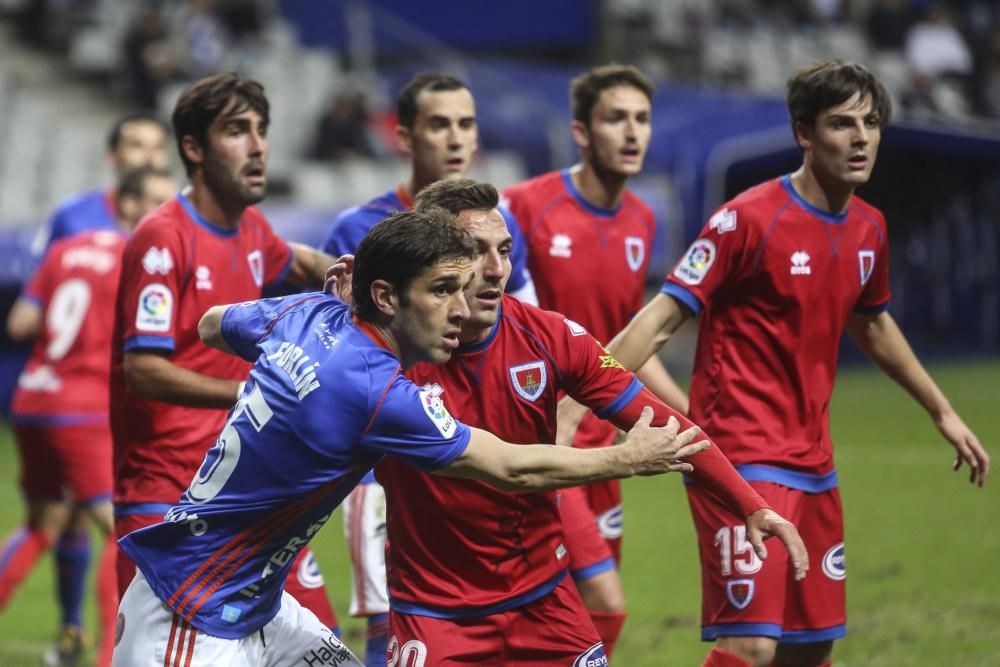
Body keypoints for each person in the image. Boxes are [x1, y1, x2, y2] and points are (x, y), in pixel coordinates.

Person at [111, 208, 710, 666]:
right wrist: (628, 457)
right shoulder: (378, 393)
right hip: (193, 613)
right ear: (386, 297)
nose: (460, 307)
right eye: (442, 290)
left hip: (255, 604)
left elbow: (212, 324)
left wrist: (307, 332)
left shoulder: (304, 314)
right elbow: (510, 468)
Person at [567, 60, 990, 667]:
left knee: (811, 648)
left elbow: (871, 322)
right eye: (842, 124)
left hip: (815, 464)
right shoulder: (746, 220)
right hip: (740, 459)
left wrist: (941, 410)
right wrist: (576, 402)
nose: (862, 137)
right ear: (803, 134)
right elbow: (658, 321)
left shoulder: (869, 229)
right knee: (752, 643)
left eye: (871, 123)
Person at [320, 178, 807, 664]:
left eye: (506, 250)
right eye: (475, 252)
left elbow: (662, 421)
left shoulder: (550, 337)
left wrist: (750, 504)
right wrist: (334, 318)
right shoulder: (384, 357)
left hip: (545, 604)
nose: (496, 270)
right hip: (437, 613)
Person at [109, 72, 341, 635]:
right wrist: (250, 391)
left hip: (250, 494)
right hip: (168, 504)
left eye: (262, 130)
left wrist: (357, 271)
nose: (259, 145)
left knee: (324, 640)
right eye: (238, 130)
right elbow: (142, 370)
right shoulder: (163, 237)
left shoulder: (253, 228)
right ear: (193, 148)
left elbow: (303, 261)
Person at [320, 70, 538, 664]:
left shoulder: (497, 227)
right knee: (388, 620)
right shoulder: (359, 227)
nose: (456, 138)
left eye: (466, 123)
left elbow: (526, 330)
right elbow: (336, 344)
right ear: (405, 136)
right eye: (440, 124)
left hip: (474, 446)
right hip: (388, 461)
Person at [502, 63, 687, 651]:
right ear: (582, 132)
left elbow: (627, 340)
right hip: (544, 432)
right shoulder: (527, 206)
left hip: (609, 440)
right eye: (615, 119)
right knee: (603, 604)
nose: (632, 133)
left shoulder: (643, 217)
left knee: (584, 608)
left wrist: (691, 413)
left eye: (642, 119)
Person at [1, 166, 176, 667]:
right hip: (84, 408)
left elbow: (21, 322)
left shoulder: (62, 250)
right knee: (122, 532)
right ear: (126, 205)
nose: (163, 215)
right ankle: (107, 657)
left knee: (40, 525)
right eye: (156, 204)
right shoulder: (137, 257)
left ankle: (73, 637)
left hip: (33, 399)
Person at [33, 112, 170, 253]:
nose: (150, 156)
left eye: (159, 147)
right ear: (112, 157)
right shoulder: (71, 215)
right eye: (137, 146)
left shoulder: (184, 220)